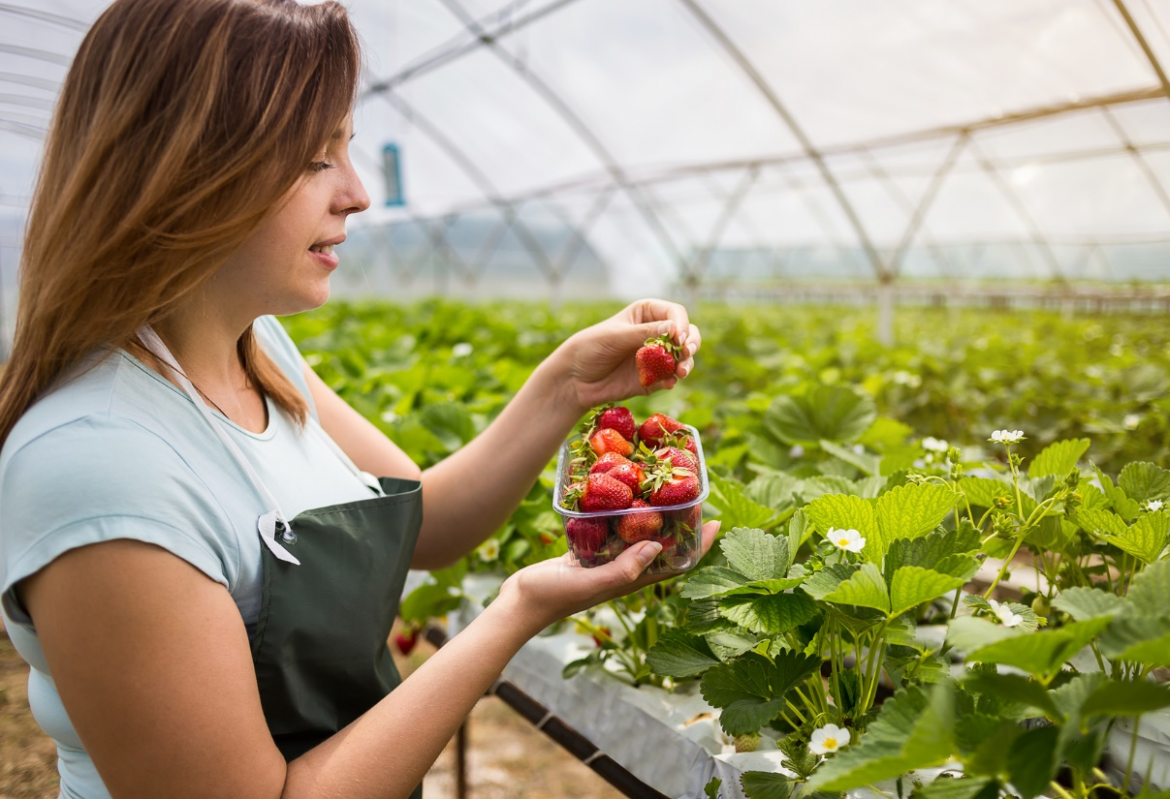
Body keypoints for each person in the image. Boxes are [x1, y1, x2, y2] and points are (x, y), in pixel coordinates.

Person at [0, 1, 718, 797]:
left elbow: (429, 522)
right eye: (315, 159)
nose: (358, 193)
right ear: (186, 171)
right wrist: (512, 612)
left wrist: (566, 386)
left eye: (347, 148)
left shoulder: (259, 349)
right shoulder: (96, 466)